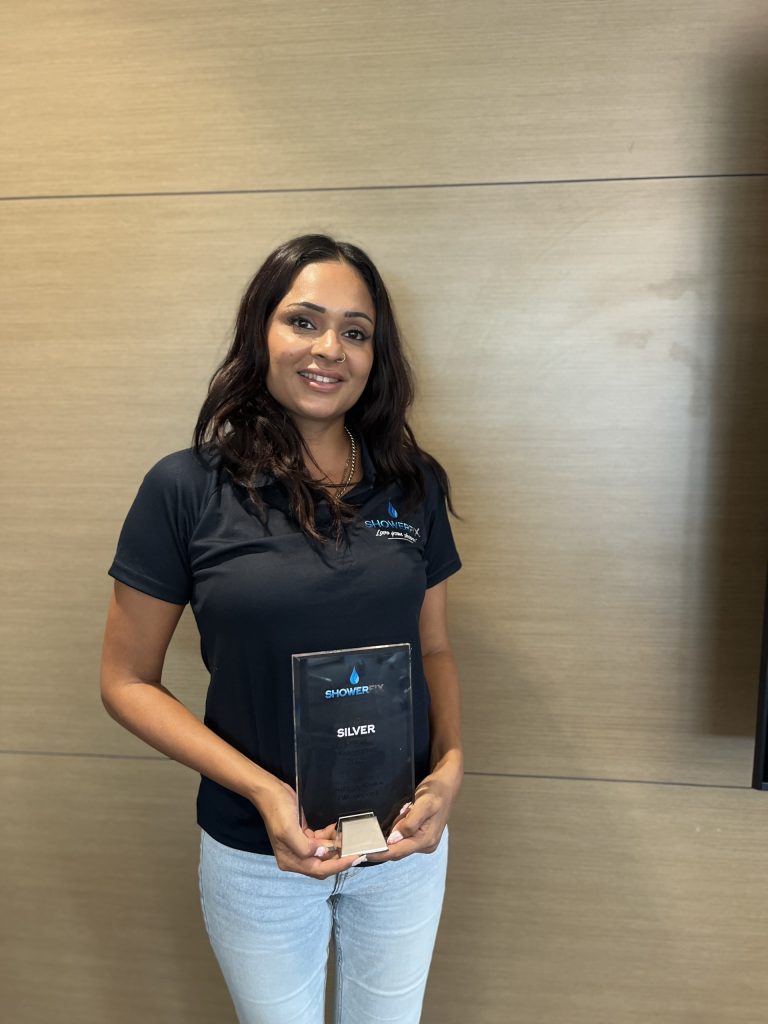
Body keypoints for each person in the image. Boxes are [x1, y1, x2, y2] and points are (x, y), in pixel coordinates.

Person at [100, 234, 463, 1024]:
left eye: (355, 331)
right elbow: (125, 682)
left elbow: (432, 647)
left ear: (375, 355)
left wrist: (452, 764)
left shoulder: (415, 485)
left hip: (399, 840)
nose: (329, 348)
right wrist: (265, 792)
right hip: (256, 848)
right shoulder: (184, 489)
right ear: (260, 331)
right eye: (304, 321)